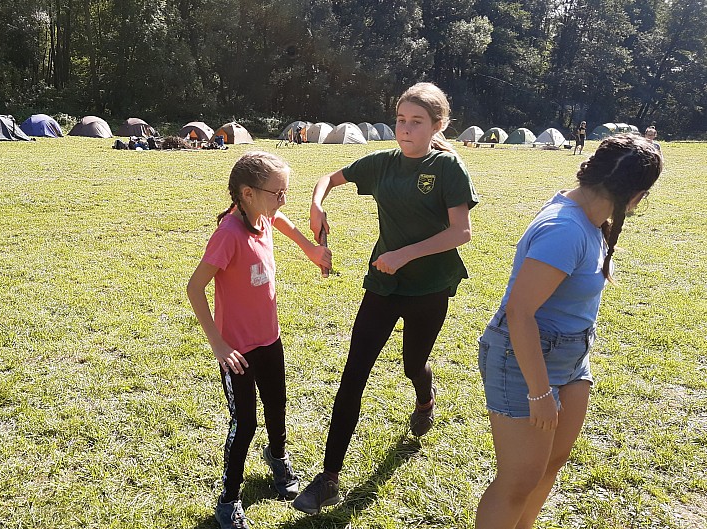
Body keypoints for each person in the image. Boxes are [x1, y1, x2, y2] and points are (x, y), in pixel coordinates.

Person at [293, 82, 479, 515]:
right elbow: (329, 177)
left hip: (429, 287)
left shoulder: (449, 168)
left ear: (438, 125)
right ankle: (328, 479)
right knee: (353, 374)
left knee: (413, 364)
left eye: (416, 122)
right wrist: (317, 203)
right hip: (383, 285)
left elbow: (460, 233)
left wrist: (404, 254)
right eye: (400, 120)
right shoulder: (382, 163)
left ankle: (425, 397)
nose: (405, 129)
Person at [474, 135, 662, 529]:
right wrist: (539, 392)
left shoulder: (591, 216)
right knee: (518, 479)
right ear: (637, 196)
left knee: (549, 465)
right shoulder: (565, 228)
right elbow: (520, 313)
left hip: (571, 356)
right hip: (522, 357)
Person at [187, 152, 331, 529]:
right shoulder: (228, 235)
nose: (283, 200)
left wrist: (311, 249)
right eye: (277, 192)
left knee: (277, 404)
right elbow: (195, 288)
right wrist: (219, 346)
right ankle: (228, 499)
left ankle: (277, 456)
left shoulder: (263, 217)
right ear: (248, 193)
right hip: (237, 351)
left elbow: (280, 220)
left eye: (286, 191)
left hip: (270, 338)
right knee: (245, 424)